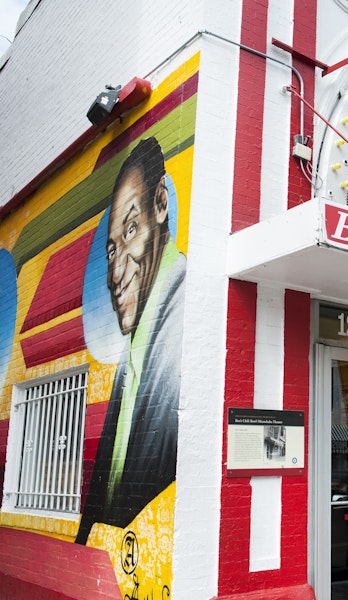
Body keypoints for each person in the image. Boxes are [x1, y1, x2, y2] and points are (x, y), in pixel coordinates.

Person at [76, 137, 186, 545]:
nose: (117, 271)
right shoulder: (138, 349)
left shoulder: (180, 320)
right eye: (110, 251)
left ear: (162, 204)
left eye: (132, 230)